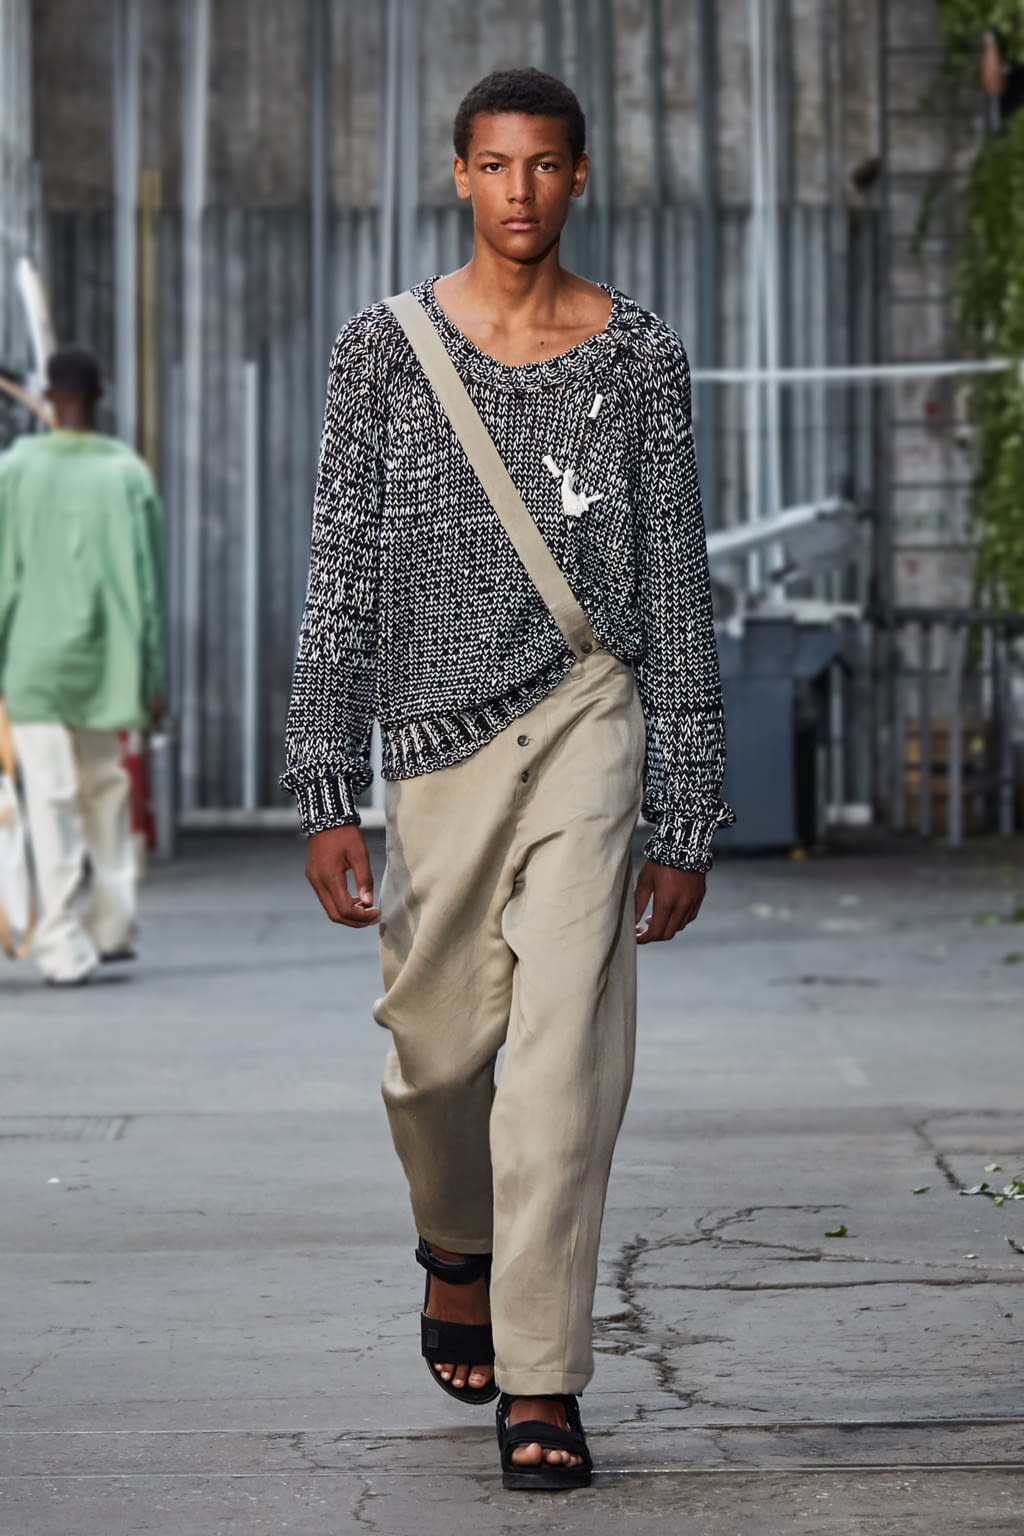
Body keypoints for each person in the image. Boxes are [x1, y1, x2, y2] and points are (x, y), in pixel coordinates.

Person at [282, 67, 732, 1490]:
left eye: (546, 166)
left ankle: (543, 1376)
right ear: (460, 176)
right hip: (432, 750)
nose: (521, 190)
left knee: (557, 1068)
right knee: (434, 1064)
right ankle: (455, 1245)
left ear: (580, 180)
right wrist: (322, 783)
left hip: (590, 720)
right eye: (496, 165)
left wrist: (690, 811)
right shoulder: (383, 352)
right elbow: (343, 572)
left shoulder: (639, 358)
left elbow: (673, 585)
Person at [0, 346, 164, 986]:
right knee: (106, 792)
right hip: (111, 664)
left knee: (53, 800)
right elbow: (150, 590)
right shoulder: (125, 473)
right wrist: (153, 678)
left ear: (48, 393)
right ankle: (113, 924)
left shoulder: (15, 471)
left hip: (34, 665)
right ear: (103, 393)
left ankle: (63, 943)